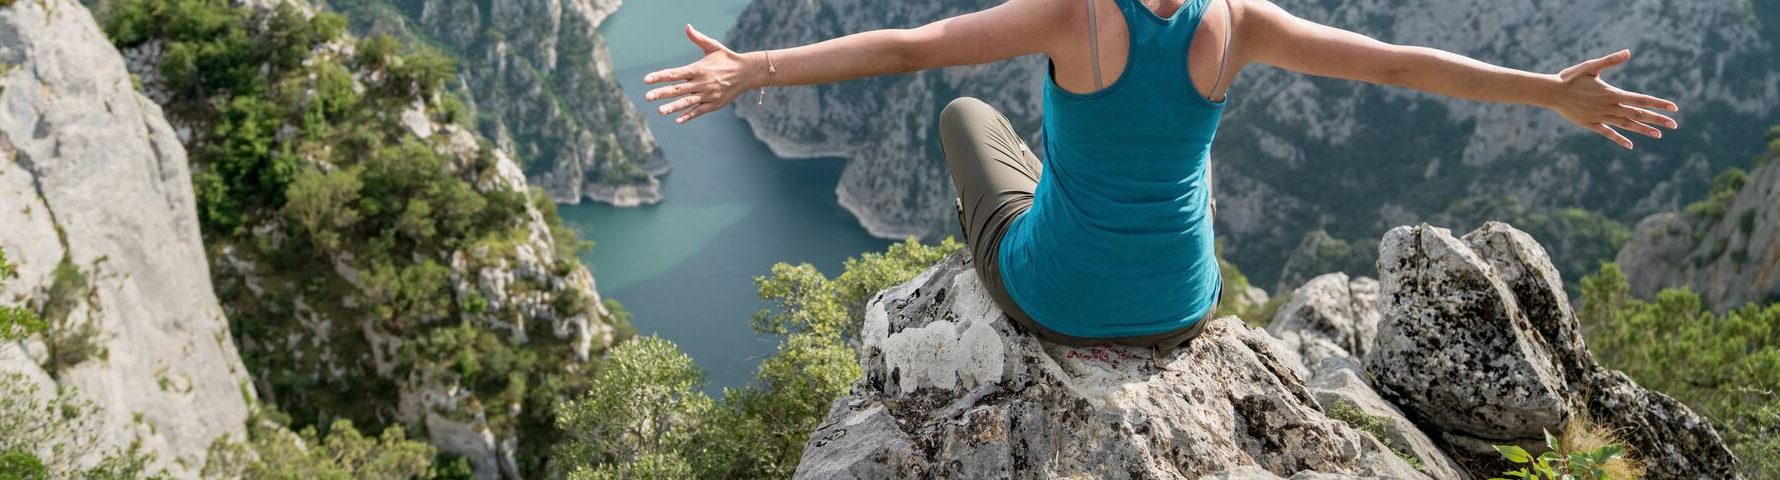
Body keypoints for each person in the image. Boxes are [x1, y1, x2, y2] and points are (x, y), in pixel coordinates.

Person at [640, 0, 1678, 349]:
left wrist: (754, 69)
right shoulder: (1240, 21)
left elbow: (915, 46)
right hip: (1185, 306)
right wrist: (1548, 91)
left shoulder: (1076, 13)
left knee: (969, 114)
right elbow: (1401, 63)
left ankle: (1040, 233)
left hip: (1054, 300)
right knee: (1188, 171)